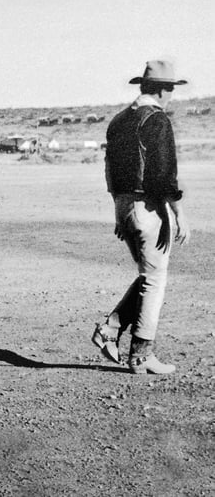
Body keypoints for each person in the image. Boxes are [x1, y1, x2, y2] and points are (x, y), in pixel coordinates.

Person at [92, 60, 191, 374]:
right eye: (171, 89)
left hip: (123, 205)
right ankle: (140, 354)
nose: (171, 95)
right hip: (147, 206)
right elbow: (163, 173)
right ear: (163, 90)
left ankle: (111, 328)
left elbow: (111, 170)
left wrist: (119, 212)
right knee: (155, 280)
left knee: (148, 276)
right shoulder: (156, 119)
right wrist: (178, 212)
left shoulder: (120, 119)